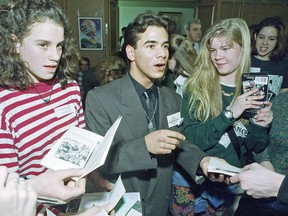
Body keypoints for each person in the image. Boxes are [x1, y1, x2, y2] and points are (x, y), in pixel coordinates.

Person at [85, 12, 224, 216]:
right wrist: (145, 146)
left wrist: (203, 161)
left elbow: (178, 144)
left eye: (165, 46)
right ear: (131, 53)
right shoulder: (101, 98)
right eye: (151, 46)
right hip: (120, 204)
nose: (162, 54)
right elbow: (99, 159)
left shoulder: (173, 99)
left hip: (161, 204)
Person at [0, 0, 111, 215]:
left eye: (59, 45)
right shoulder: (4, 104)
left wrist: (95, 178)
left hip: (75, 199)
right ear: (15, 44)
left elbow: (83, 142)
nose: (55, 56)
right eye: (43, 45)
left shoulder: (69, 88)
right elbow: (7, 189)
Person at [171, 18, 273, 215]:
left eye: (225, 49)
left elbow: (255, 146)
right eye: (213, 50)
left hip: (226, 185)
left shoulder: (252, 88)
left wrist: (260, 125)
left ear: (243, 49)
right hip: (190, 180)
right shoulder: (196, 86)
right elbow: (192, 140)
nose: (218, 56)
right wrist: (230, 114)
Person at [232, 91, 288, 216]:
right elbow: (261, 140)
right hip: (259, 192)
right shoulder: (281, 100)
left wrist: (279, 185)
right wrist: (264, 160)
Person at [250, 16, 288, 95]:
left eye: (271, 39)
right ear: (255, 36)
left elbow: (283, 97)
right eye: (261, 37)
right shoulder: (244, 60)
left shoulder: (284, 65)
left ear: (278, 40)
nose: (265, 42)